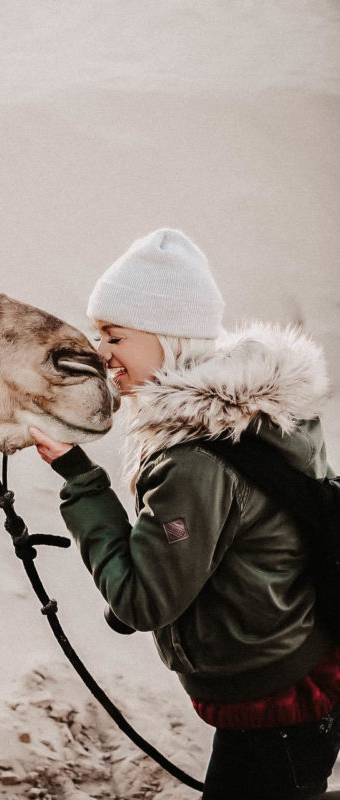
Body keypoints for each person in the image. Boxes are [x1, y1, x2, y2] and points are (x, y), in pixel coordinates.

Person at [30, 229, 340, 800]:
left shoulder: (193, 458)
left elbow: (143, 601)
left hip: (271, 704)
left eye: (114, 335)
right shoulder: (266, 412)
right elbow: (237, 543)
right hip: (301, 671)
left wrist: (80, 480)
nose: (101, 353)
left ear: (166, 336)